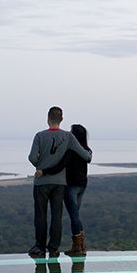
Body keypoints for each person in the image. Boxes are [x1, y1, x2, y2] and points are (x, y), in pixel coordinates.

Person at [28, 107, 92, 259]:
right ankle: (54, 248)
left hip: (41, 182)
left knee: (41, 216)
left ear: (47, 118)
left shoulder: (39, 135)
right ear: (61, 119)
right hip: (60, 183)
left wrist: (40, 165)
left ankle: (40, 247)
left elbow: (31, 158)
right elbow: (85, 155)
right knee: (57, 216)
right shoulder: (68, 137)